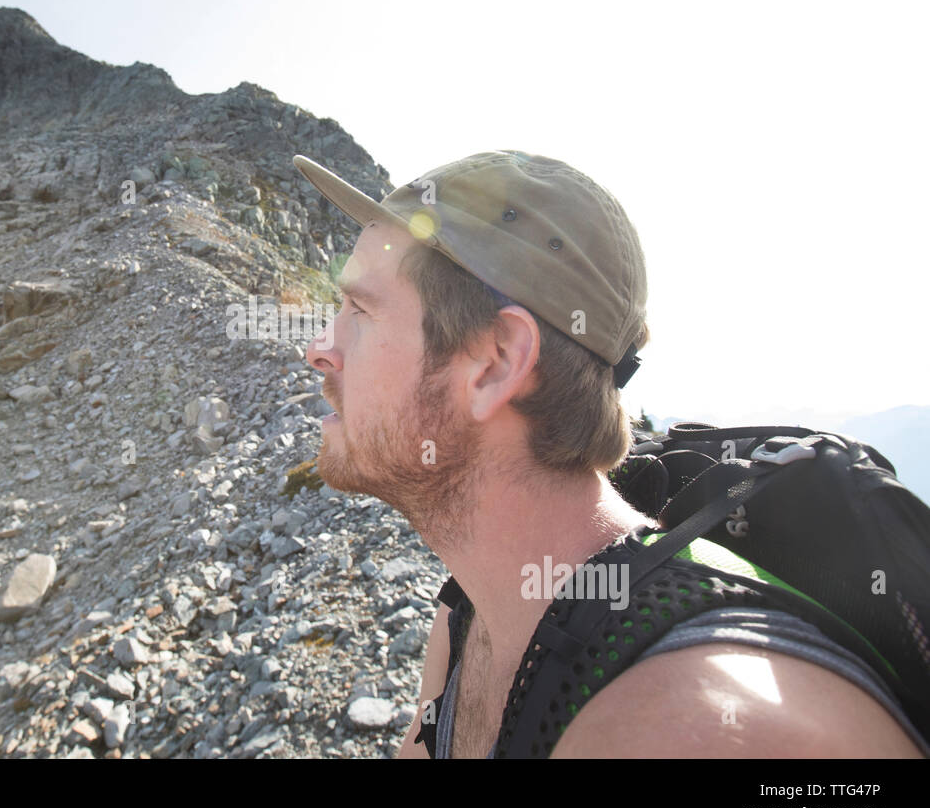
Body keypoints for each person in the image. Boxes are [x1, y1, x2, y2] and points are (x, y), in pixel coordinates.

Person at [293, 150, 927, 758]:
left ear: (496, 362)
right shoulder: (467, 613)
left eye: (359, 308)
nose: (318, 348)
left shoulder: (706, 729)